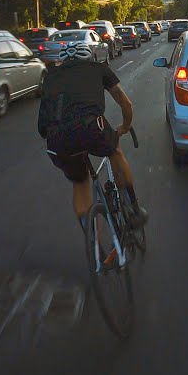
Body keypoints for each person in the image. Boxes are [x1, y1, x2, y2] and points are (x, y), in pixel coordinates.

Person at [38, 44, 147, 256]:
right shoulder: (98, 69)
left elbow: (42, 123)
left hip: (57, 139)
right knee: (115, 151)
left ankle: (94, 245)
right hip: (92, 128)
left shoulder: (51, 76)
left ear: (64, 61)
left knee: (80, 183)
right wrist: (125, 126)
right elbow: (125, 103)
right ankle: (134, 209)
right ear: (90, 57)